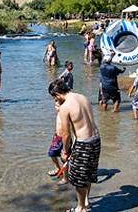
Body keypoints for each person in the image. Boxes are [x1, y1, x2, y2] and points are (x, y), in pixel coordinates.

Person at [48, 79, 101, 212]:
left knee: (78, 178)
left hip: (84, 143)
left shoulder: (65, 107)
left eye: (54, 98)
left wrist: (65, 152)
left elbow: (65, 134)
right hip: (96, 139)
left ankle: (80, 208)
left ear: (57, 95)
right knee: (88, 173)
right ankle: (86, 201)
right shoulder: (82, 97)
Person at [47, 101, 68, 185]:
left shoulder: (66, 115)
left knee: (64, 158)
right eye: (55, 105)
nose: (56, 107)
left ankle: (66, 178)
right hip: (57, 137)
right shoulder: (59, 114)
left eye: (58, 105)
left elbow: (69, 131)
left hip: (64, 138)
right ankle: (57, 168)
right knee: (52, 153)